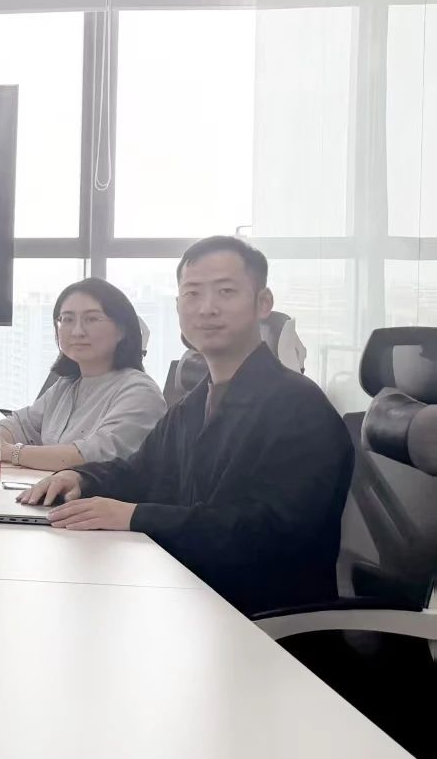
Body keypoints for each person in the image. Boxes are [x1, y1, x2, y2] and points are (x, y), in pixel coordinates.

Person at [21, 237, 353, 615]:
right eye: (192, 294)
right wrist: (81, 478)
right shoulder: (194, 403)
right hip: (187, 595)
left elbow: (267, 532)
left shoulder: (299, 407)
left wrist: (134, 516)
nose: (207, 308)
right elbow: (140, 472)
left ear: (263, 303)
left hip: (257, 619)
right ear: (178, 306)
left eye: (226, 292)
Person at [0, 278, 166, 472]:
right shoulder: (67, 385)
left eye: (91, 319)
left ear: (121, 330)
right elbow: (20, 424)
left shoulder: (140, 392)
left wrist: (10, 452)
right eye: (67, 319)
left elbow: (90, 457)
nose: (77, 332)